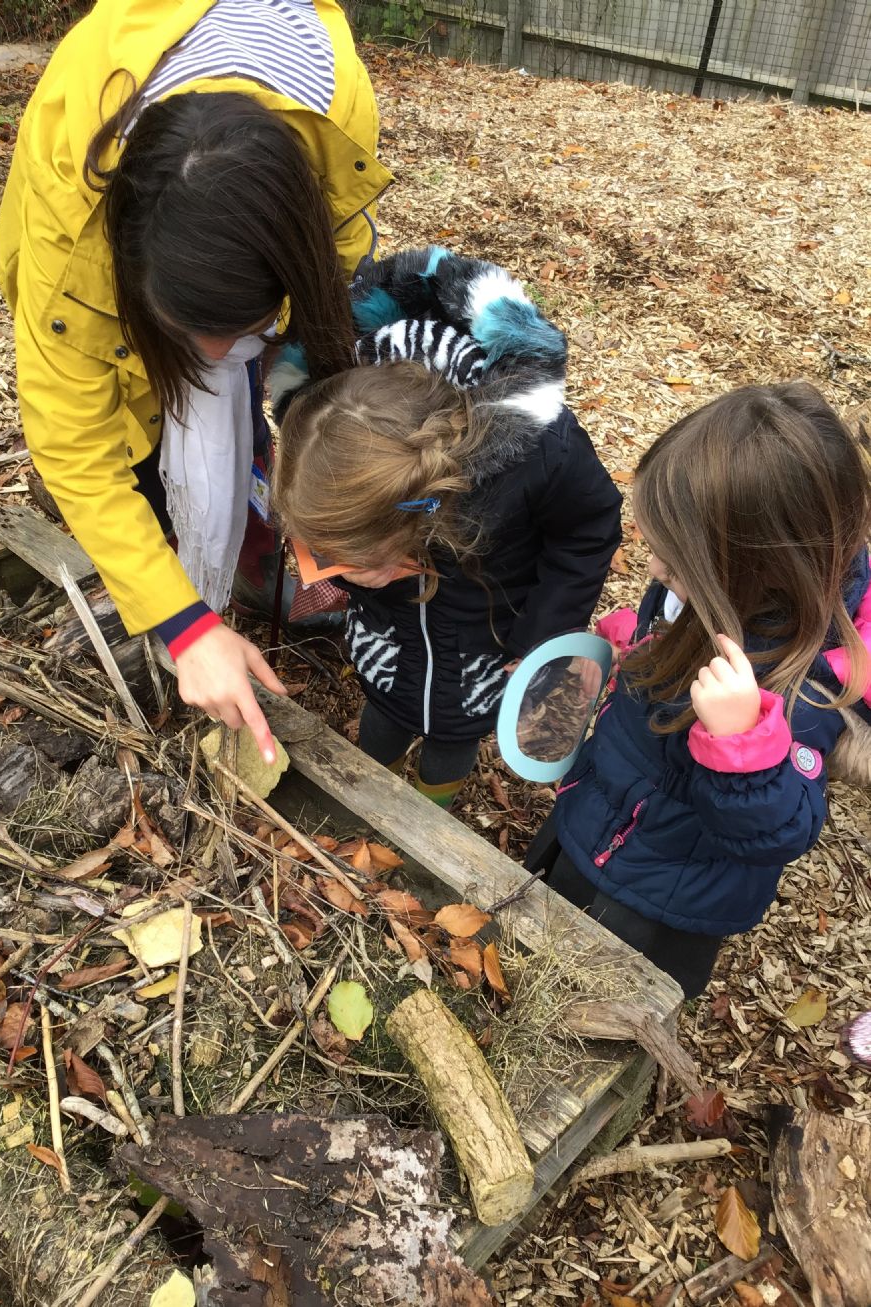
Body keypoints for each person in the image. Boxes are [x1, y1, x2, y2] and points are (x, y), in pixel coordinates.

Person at [0, 0, 392, 762]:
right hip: (86, 241)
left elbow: (334, 259)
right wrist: (183, 625)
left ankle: (247, 563)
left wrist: (294, 379)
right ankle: (172, 572)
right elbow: (74, 442)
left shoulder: (334, 113)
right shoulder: (71, 233)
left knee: (239, 423)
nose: (214, 353)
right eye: (186, 330)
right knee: (132, 448)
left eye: (237, 326)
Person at [525, 382, 871, 998]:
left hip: (663, 892)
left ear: (759, 565)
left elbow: (783, 831)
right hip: (601, 811)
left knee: (599, 1001)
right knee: (541, 933)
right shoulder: (708, 583)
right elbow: (667, 630)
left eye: (673, 560)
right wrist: (632, 642)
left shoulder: (805, 684)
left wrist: (744, 746)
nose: (654, 570)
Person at [271, 247, 623, 807]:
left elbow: (589, 530)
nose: (348, 567)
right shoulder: (334, 427)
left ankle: (431, 809)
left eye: (362, 556)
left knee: (452, 742)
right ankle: (373, 793)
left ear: (425, 509)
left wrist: (542, 630)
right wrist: (346, 575)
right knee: (384, 715)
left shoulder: (539, 454)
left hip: (485, 644)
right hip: (389, 638)